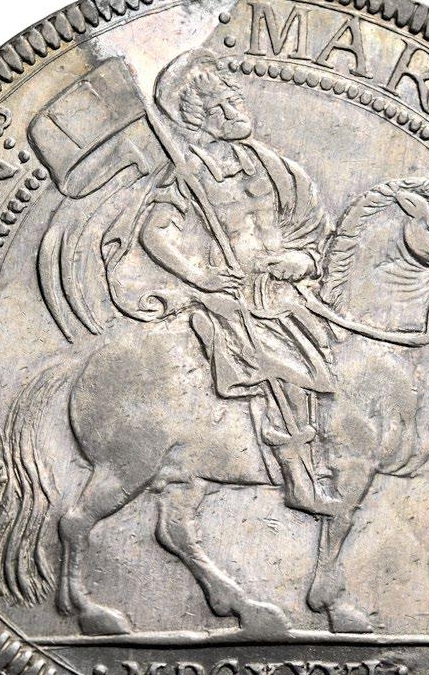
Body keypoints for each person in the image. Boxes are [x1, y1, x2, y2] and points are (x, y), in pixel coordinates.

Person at [138, 49, 337, 515]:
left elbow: (315, 229)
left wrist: (301, 260)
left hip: (285, 292)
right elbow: (154, 233)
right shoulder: (188, 174)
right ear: (198, 120)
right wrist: (202, 278)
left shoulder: (272, 166)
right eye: (221, 107)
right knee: (284, 367)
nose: (236, 111)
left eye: (235, 100)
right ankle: (299, 479)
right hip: (230, 297)